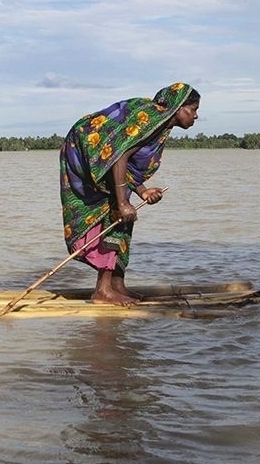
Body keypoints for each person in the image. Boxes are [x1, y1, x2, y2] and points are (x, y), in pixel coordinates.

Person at [59, 83, 201, 305]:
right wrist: (122, 202)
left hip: (107, 159)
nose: (195, 116)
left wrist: (142, 191)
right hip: (85, 151)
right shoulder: (152, 118)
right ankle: (102, 291)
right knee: (115, 213)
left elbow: (129, 163)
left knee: (125, 217)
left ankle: (117, 285)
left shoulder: (161, 126)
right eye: (192, 109)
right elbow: (119, 154)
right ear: (178, 107)